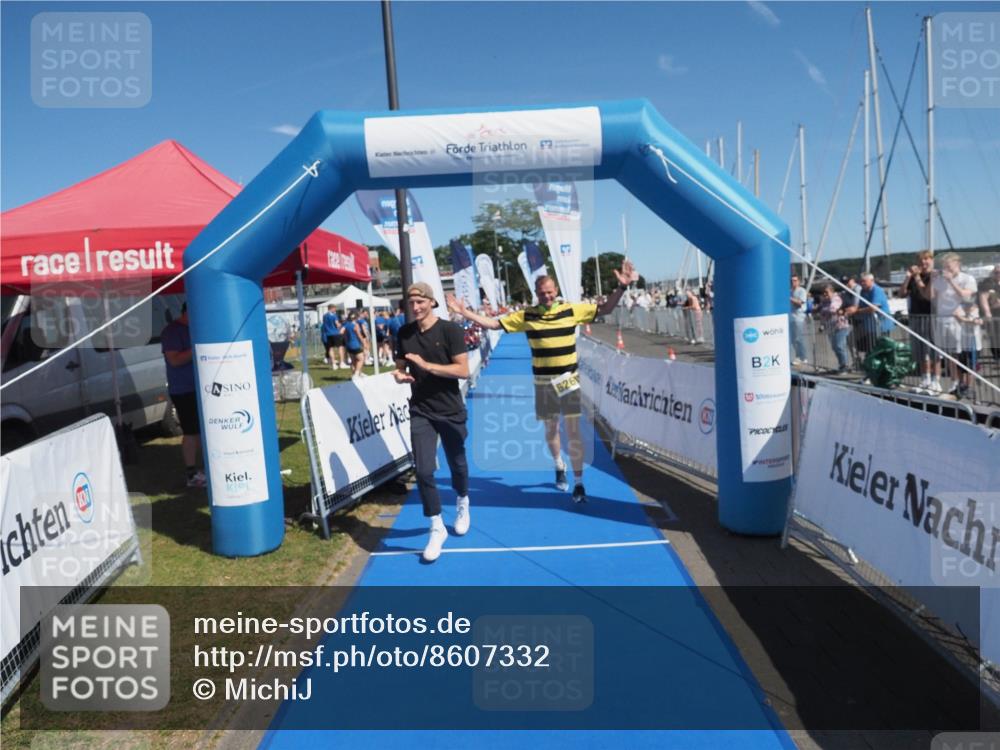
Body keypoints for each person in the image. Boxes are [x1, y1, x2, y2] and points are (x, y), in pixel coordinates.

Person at [447, 259, 638, 504]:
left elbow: (606, 309)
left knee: (572, 430)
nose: (546, 296)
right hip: (543, 382)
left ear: (556, 292)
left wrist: (621, 288)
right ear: (536, 295)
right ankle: (559, 464)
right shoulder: (527, 315)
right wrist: (464, 312)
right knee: (551, 430)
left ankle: (579, 483)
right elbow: (494, 323)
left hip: (568, 379)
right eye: (542, 293)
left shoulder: (572, 310)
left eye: (550, 292)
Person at [393, 282, 470, 562]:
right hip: (421, 410)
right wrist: (400, 375)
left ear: (431, 303)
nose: (415, 307)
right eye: (411, 303)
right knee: (424, 470)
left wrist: (428, 367)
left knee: (457, 463)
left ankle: (462, 500)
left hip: (450, 409)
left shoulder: (450, 330)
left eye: (420, 302)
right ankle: (436, 526)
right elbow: (400, 367)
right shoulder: (403, 333)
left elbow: (463, 370)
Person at [160, 303, 206, 488]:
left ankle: (207, 468)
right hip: (183, 389)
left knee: (204, 430)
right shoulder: (171, 332)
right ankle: (192, 473)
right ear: (187, 312)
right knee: (191, 431)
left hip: (202, 387)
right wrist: (197, 348)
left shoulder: (195, 327)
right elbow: (175, 360)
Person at [930, 252, 977, 395]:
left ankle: (966, 385)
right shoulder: (941, 279)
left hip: (959, 320)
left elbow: (965, 295)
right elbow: (932, 298)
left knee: (961, 354)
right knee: (948, 354)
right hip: (942, 318)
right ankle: (954, 381)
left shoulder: (967, 278)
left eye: (949, 267)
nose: (946, 270)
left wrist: (951, 281)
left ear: (957, 265)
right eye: (945, 267)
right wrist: (932, 280)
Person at [898, 251, 941, 392]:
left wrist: (916, 277)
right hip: (916, 316)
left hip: (932, 316)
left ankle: (936, 380)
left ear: (932, 260)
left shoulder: (935, 275)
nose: (924, 263)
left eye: (927, 259)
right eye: (921, 260)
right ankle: (925, 378)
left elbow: (929, 296)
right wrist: (907, 277)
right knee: (921, 350)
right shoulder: (914, 277)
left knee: (934, 350)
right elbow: (902, 293)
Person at [845, 273, 894, 358]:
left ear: (872, 281)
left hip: (881, 325)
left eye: (864, 281)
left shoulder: (877, 290)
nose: (862, 283)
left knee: (880, 348)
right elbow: (859, 305)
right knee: (851, 339)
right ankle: (859, 361)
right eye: (861, 281)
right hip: (868, 325)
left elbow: (873, 308)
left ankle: (878, 365)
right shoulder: (863, 291)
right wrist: (851, 309)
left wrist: (857, 311)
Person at [816, 284, 851, 372]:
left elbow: (833, 309)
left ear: (832, 292)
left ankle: (845, 366)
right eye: (823, 292)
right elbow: (822, 314)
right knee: (835, 347)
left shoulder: (836, 298)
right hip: (830, 327)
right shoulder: (824, 301)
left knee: (839, 346)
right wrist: (822, 325)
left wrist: (824, 309)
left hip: (840, 326)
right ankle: (841, 365)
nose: (824, 294)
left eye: (826, 292)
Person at [978, 264, 1000, 359]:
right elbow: (983, 298)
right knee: (994, 340)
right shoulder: (987, 284)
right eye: (996, 272)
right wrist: (988, 313)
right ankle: (997, 358)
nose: (998, 274)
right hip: (993, 317)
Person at [340, 311, 367, 380]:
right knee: (361, 359)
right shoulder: (355, 325)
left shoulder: (346, 324)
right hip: (355, 344)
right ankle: (356, 374)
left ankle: (356, 374)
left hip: (348, 345)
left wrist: (346, 338)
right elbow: (359, 335)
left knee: (353, 360)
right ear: (356, 318)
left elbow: (341, 332)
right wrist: (364, 343)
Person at [789, 274, 809, 365]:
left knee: (799, 338)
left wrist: (790, 299)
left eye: (795, 280)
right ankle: (799, 356)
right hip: (791, 317)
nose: (793, 282)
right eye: (792, 280)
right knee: (793, 338)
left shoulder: (802, 290)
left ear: (799, 281)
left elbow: (800, 303)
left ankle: (802, 357)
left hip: (799, 317)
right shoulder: (789, 291)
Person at [321, 305, 346, 370]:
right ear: (331, 308)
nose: (335, 310)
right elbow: (337, 324)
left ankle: (333, 364)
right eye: (334, 308)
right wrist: (341, 325)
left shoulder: (324, 316)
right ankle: (341, 363)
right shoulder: (334, 316)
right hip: (335, 333)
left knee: (330, 348)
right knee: (340, 347)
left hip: (328, 334)